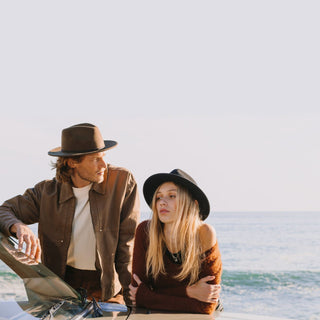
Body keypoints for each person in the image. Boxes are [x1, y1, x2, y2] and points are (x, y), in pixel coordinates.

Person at [0, 123, 140, 304]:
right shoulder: (46, 192)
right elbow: (4, 210)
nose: (104, 165)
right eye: (95, 159)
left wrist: (131, 300)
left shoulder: (121, 182)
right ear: (72, 162)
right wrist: (18, 226)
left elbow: (127, 245)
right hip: (61, 288)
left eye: (103, 157)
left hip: (106, 289)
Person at [129, 169, 222, 314]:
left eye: (172, 196)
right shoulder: (145, 231)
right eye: (159, 197)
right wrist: (189, 292)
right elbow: (137, 296)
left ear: (192, 203)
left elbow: (206, 306)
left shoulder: (204, 234)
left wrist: (150, 296)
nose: (162, 203)